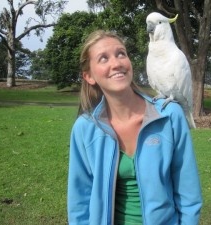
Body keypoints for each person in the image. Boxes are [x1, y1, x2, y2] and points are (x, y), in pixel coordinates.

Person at [67, 30, 202, 225]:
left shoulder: (169, 116)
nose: (116, 63)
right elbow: (79, 202)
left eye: (121, 53)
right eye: (103, 59)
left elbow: (188, 192)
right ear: (89, 76)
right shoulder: (85, 129)